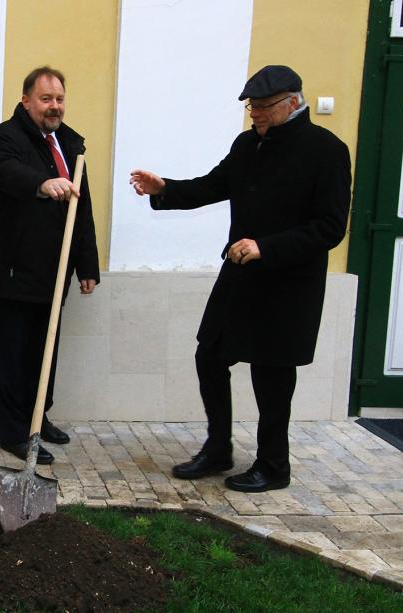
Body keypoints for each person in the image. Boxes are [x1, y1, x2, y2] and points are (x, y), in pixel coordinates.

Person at [129, 65, 350, 492]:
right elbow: (213, 185)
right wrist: (164, 189)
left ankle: (273, 465)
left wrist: (266, 247)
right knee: (209, 355)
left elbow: (329, 227)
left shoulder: (326, 151)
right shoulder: (248, 145)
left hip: (288, 286)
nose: (255, 114)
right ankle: (218, 449)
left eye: (263, 107)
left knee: (271, 377)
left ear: (292, 103)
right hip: (240, 278)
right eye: (251, 106)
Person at [0, 66, 101, 465]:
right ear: (26, 100)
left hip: (53, 272)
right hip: (10, 270)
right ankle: (14, 433)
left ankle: (37, 417)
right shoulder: (3, 138)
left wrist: (87, 266)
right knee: (12, 357)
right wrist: (41, 183)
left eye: (60, 99)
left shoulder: (70, 144)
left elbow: (83, 211)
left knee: (42, 350)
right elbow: (3, 172)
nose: (54, 106)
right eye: (46, 98)